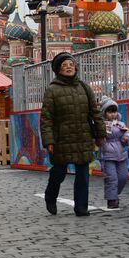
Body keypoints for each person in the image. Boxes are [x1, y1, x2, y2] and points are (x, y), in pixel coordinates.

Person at [40, 52, 106, 217]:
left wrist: (100, 133)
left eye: (71, 64)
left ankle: (81, 207)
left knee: (83, 174)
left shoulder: (84, 87)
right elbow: (46, 118)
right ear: (58, 70)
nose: (69, 67)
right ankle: (50, 195)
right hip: (62, 138)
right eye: (64, 65)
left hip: (83, 136)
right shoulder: (52, 90)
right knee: (59, 172)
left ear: (75, 67)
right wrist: (49, 140)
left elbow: (95, 113)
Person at [99, 96, 129, 209]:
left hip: (121, 154)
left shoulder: (120, 124)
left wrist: (126, 138)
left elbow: (126, 133)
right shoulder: (102, 125)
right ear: (104, 113)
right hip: (108, 155)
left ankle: (114, 194)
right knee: (111, 178)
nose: (113, 114)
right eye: (109, 112)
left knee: (123, 176)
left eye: (114, 111)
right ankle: (112, 200)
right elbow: (99, 138)